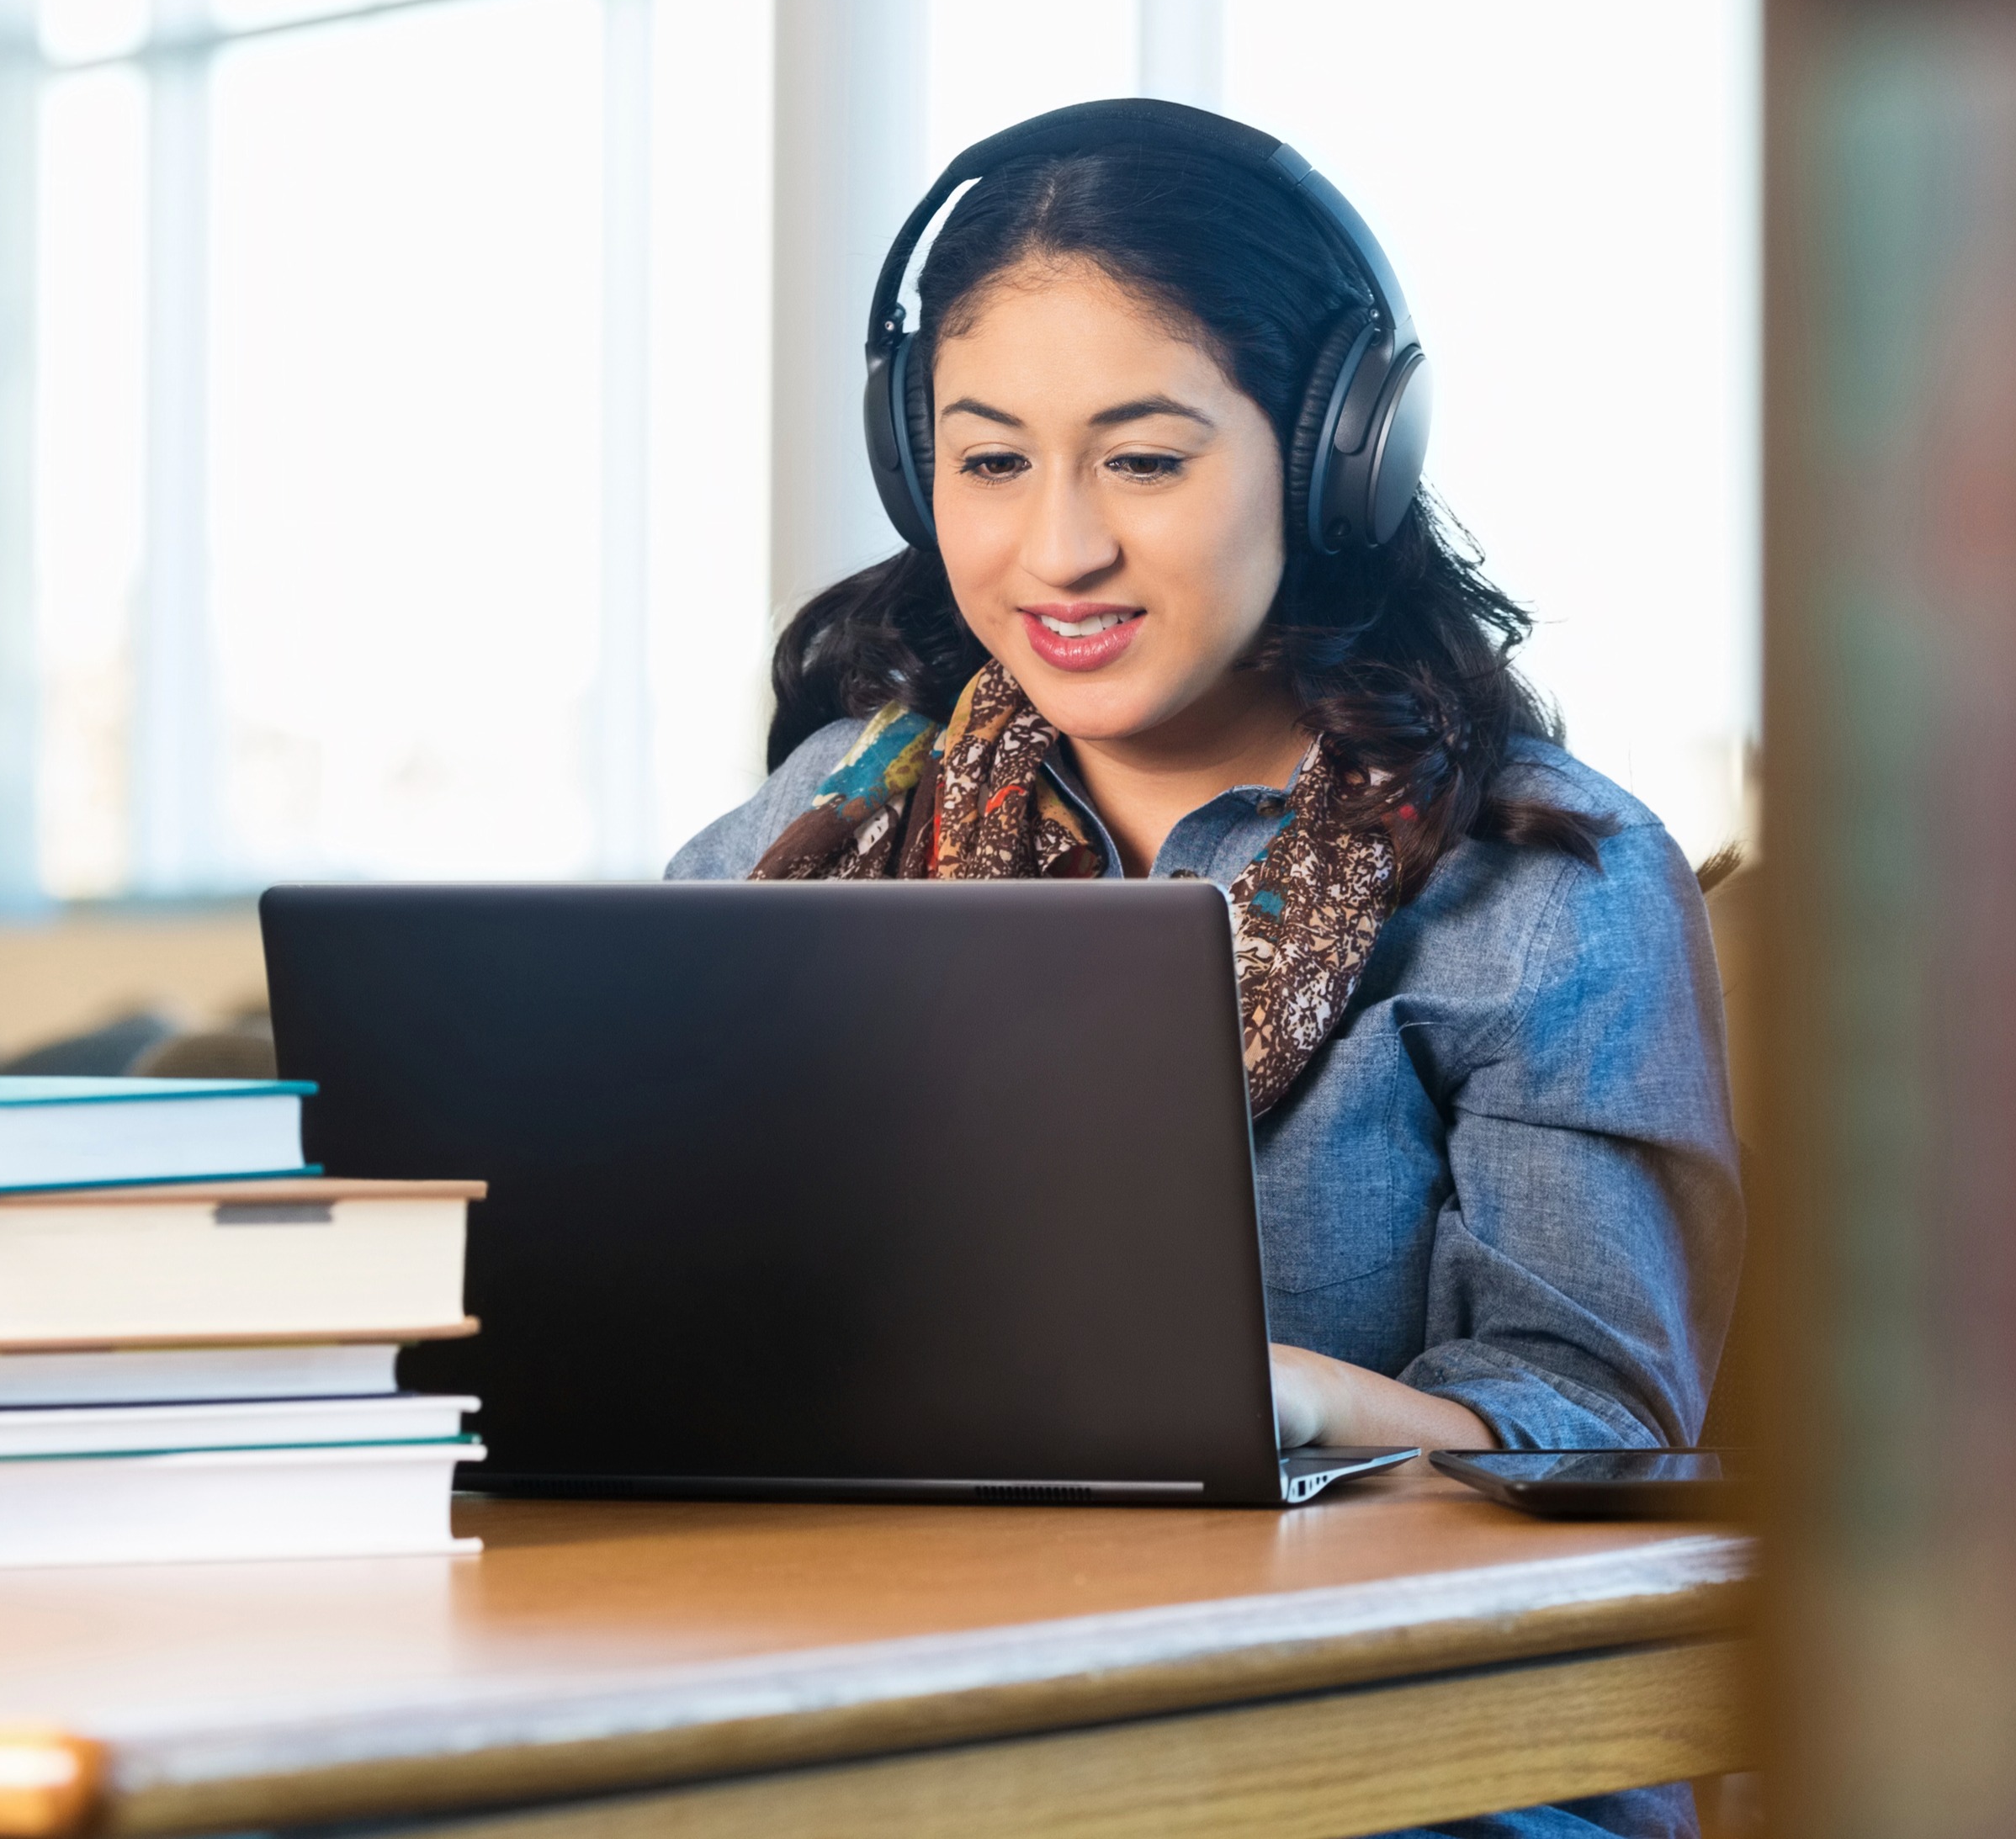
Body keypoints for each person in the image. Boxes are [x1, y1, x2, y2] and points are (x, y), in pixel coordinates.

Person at [665, 105, 1737, 1838]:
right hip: (905, 1695)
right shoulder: (824, 825)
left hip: (1397, 1761)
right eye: (989, 460)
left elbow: (1599, 1427)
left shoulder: (1539, 880)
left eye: (1144, 461)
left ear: (1337, 461)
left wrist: (1300, 1403)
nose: (1057, 551)